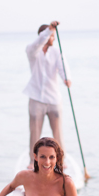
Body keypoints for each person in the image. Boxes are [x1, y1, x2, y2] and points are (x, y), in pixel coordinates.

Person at [23, 20, 71, 169]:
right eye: (51, 36)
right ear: (45, 35)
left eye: (54, 35)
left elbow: (62, 66)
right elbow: (38, 43)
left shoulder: (56, 52)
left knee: (58, 132)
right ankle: (33, 161)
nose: (54, 39)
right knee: (35, 131)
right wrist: (49, 30)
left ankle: (60, 161)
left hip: (54, 98)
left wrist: (66, 78)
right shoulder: (32, 51)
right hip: (36, 98)